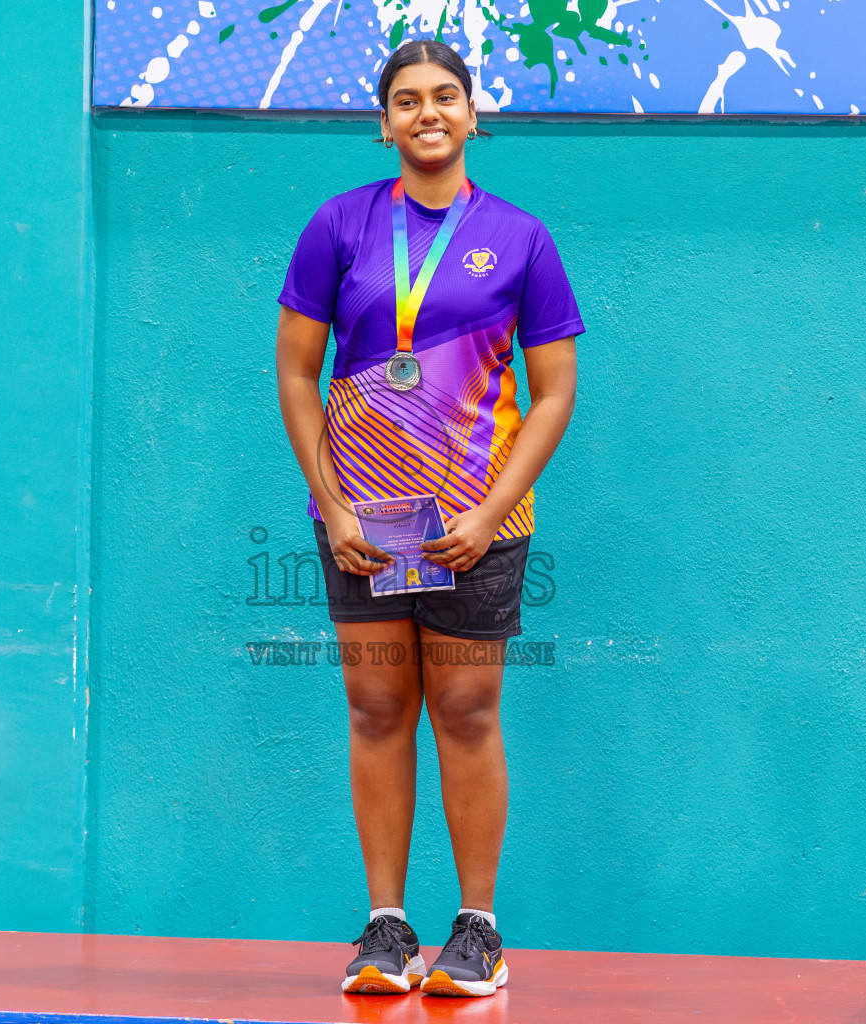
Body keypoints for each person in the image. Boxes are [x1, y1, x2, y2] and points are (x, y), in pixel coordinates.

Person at [274, 39, 584, 998]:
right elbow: (296, 371)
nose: (427, 114)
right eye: (405, 101)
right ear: (384, 123)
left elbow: (555, 391)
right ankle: (385, 929)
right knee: (374, 709)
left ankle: (478, 933)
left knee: (465, 711)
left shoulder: (523, 237)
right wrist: (332, 505)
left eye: (445, 96)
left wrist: (492, 514)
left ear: (472, 113)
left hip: (477, 522)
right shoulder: (339, 227)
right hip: (366, 521)